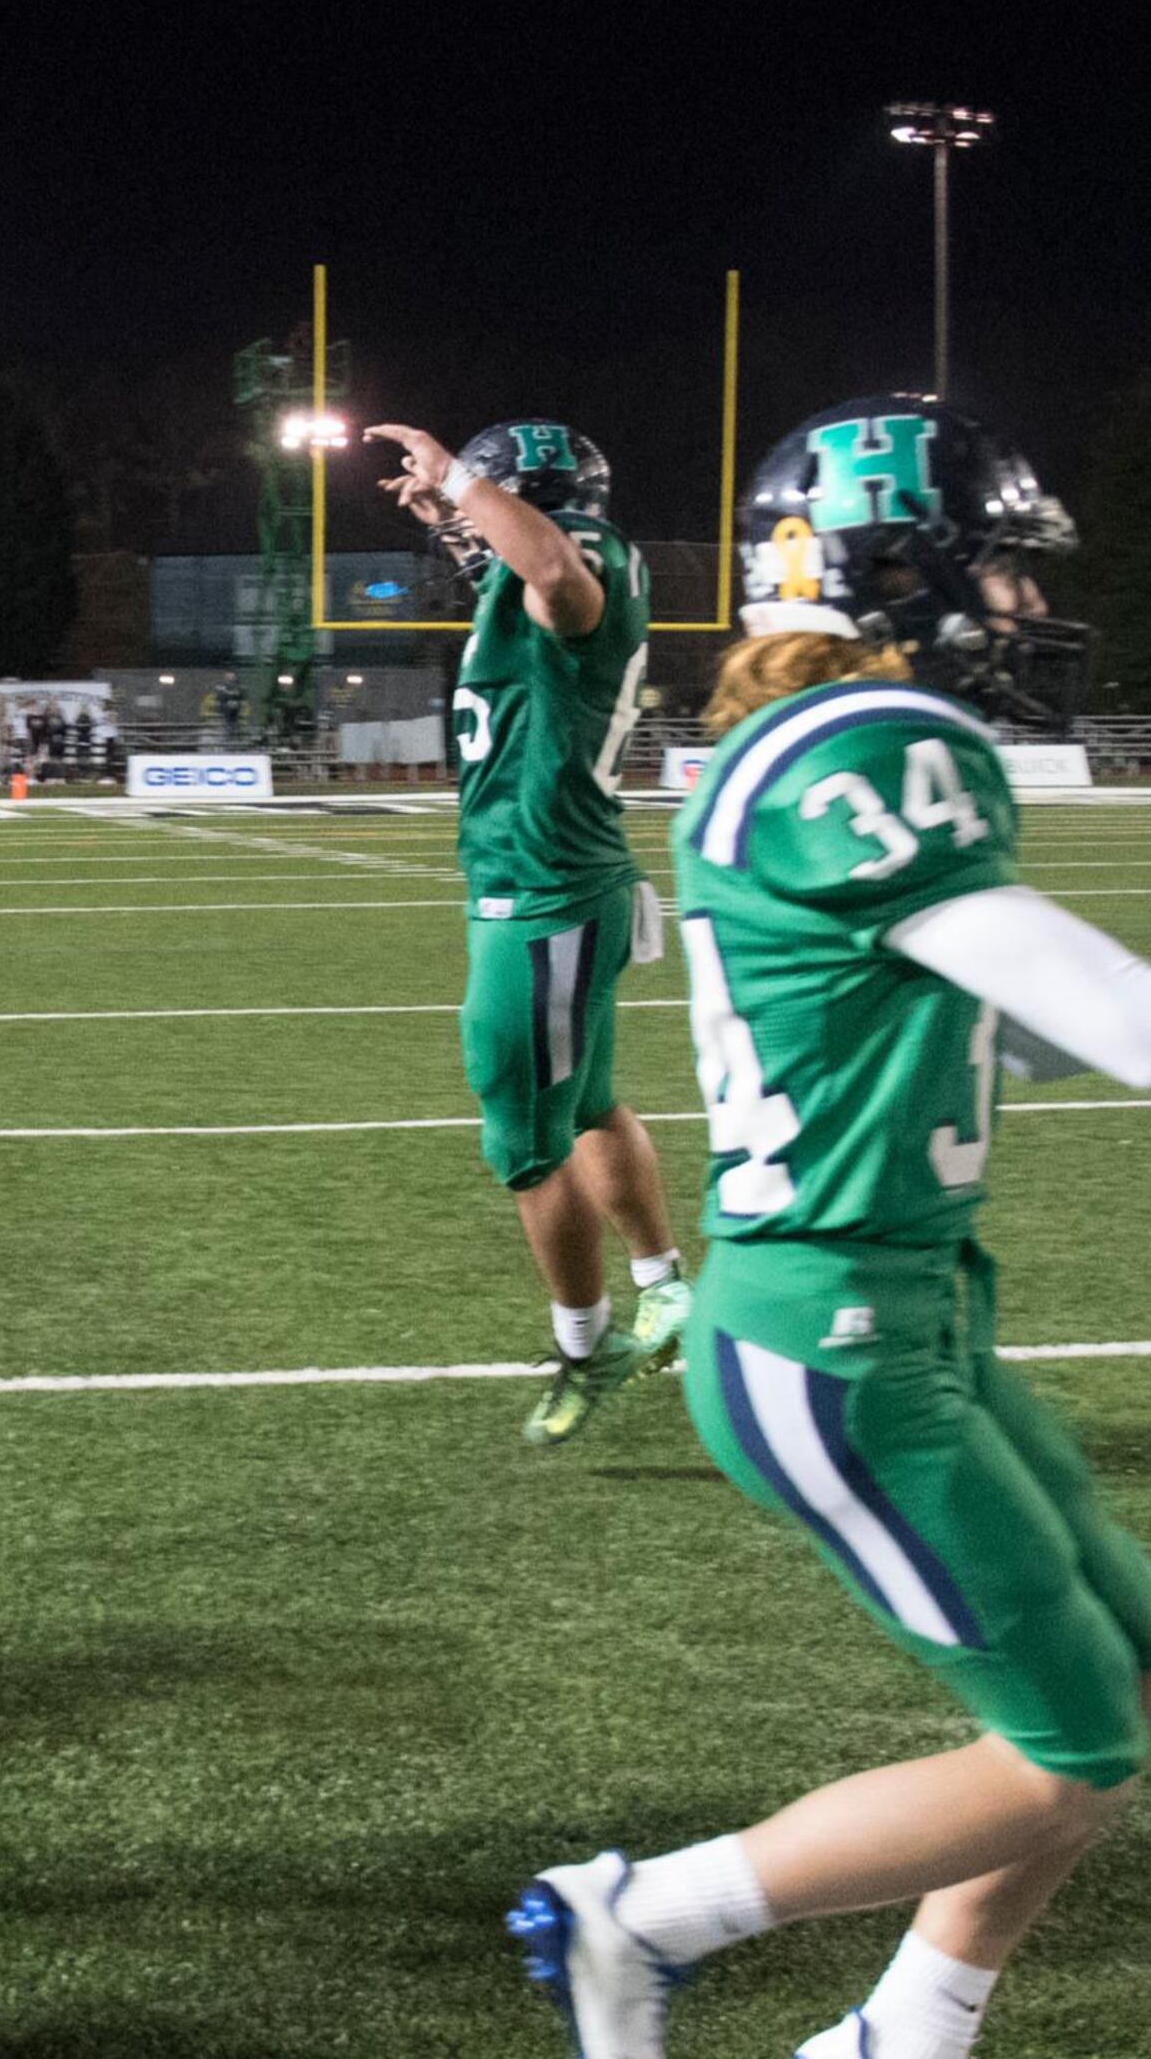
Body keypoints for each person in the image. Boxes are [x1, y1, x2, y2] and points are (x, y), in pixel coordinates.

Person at [513, 396, 1139, 2059]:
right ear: (903, 571)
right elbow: (1098, 1006)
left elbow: (1009, 1027)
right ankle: (635, 1921)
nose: (1020, 607)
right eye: (996, 570)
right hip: (832, 1335)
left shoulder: (818, 747)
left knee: (1118, 1710)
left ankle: (906, 2037)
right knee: (1070, 1745)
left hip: (904, 1312)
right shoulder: (867, 749)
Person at [374, 419, 687, 1445]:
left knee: (521, 1139)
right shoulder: (552, 564)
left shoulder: (575, 558)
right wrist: (452, 518)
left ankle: (585, 1350)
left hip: (542, 889)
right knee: (588, 1102)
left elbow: (549, 567)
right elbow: (518, 570)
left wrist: (459, 479)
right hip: (559, 876)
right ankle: (664, 1286)